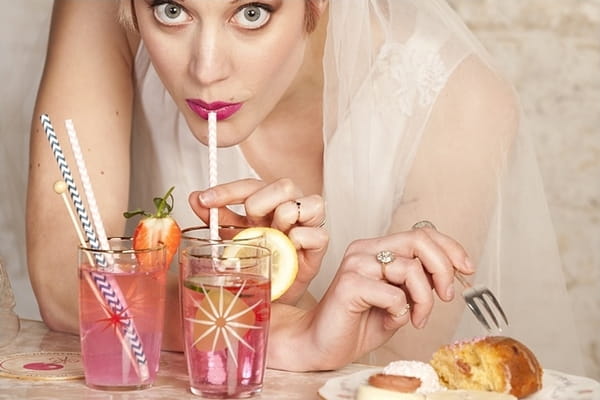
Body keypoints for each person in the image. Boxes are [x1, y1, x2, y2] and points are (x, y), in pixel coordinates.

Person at [27, 0, 583, 373]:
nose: (206, 68)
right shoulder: (101, 10)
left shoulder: (461, 100)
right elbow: (61, 286)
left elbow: (391, 369)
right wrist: (284, 328)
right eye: (172, 10)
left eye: (252, 12)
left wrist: (292, 306)